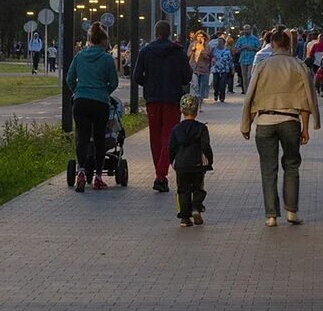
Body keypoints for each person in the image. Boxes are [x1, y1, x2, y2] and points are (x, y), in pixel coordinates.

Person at [240, 27, 320, 226]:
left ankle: (271, 216)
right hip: (290, 120)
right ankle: (291, 211)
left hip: (265, 122)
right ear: (288, 44)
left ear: (272, 44)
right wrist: (306, 128)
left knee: (268, 169)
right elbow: (306, 99)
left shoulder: (262, 65)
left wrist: (247, 124)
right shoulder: (298, 65)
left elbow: (251, 96)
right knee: (292, 165)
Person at [132, 20, 192, 193]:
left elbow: (137, 76)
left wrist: (149, 83)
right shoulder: (178, 52)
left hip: (152, 99)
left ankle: (160, 174)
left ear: (156, 32)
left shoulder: (146, 51)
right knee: (169, 137)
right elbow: (186, 77)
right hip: (172, 99)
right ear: (169, 33)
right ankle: (160, 175)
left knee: (155, 137)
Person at [66, 22, 120, 192]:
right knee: (99, 139)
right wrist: (104, 92)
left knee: (82, 137)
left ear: (89, 39)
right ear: (103, 40)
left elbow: (69, 79)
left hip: (81, 101)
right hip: (100, 102)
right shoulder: (106, 58)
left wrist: (78, 91)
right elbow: (114, 82)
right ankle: (98, 176)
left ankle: (81, 172)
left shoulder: (80, 56)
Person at [168, 93, 214, 226]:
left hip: (181, 164)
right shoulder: (201, 128)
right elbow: (205, 145)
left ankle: (184, 217)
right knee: (198, 188)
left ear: (181, 110)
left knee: (182, 190)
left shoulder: (176, 129)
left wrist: (173, 161)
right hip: (197, 164)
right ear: (196, 111)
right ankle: (196, 208)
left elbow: (171, 147)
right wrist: (209, 160)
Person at [235, 26, 261, 93]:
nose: (246, 31)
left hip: (252, 59)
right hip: (243, 59)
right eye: (245, 29)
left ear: (250, 30)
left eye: (248, 29)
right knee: (244, 77)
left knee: (249, 75)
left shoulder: (255, 39)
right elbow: (236, 50)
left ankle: (250, 91)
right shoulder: (240, 39)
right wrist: (242, 48)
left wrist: (252, 48)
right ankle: (246, 91)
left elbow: (259, 49)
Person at [209, 35, 234, 103]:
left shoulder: (227, 51)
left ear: (223, 42)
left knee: (222, 84)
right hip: (216, 69)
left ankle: (222, 97)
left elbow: (230, 60)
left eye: (220, 41)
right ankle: (216, 94)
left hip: (224, 69)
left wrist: (232, 69)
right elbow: (209, 55)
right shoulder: (214, 50)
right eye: (218, 41)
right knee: (215, 83)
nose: (219, 43)